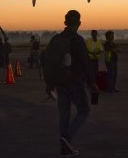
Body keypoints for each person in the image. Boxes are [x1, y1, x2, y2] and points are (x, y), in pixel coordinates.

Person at [51, 10, 99, 157]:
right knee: (84, 111)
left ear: (65, 23)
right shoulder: (77, 40)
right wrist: (92, 83)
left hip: (60, 83)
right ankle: (67, 138)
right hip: (75, 82)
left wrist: (49, 83)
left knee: (64, 115)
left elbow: (49, 62)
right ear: (79, 23)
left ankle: (64, 149)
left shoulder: (56, 39)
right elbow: (86, 62)